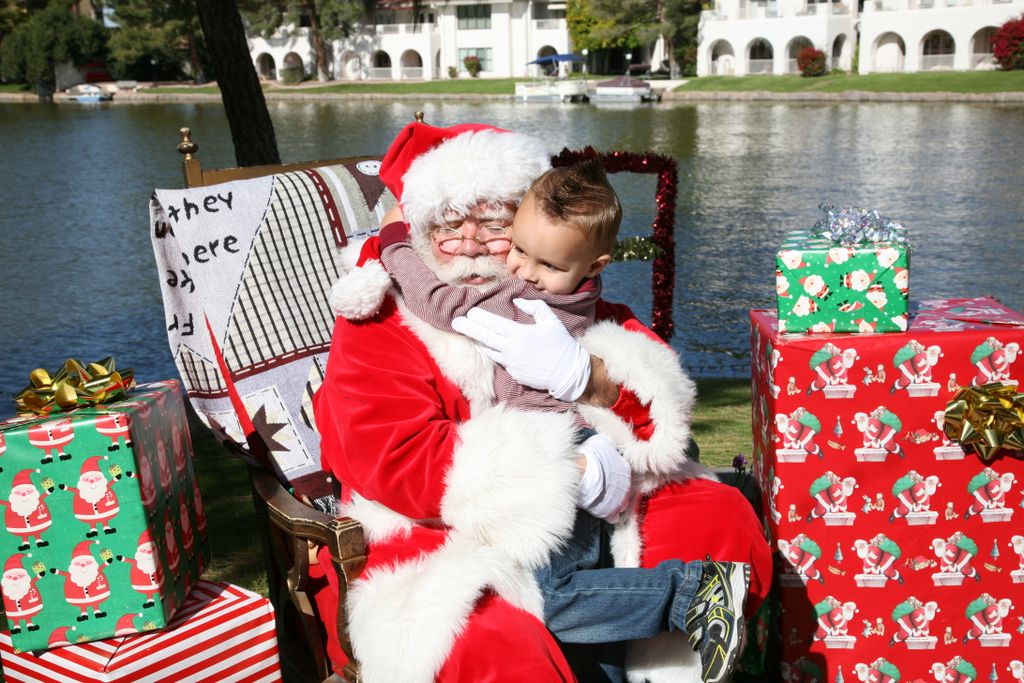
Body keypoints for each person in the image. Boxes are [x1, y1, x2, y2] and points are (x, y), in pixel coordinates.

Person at [313, 121, 772, 682]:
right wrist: (568, 472)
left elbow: (661, 409)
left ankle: (684, 646)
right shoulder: (382, 318)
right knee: (499, 636)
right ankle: (683, 603)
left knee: (712, 512)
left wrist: (588, 380)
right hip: (439, 528)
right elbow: (394, 459)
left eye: (493, 221)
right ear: (420, 227)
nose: (472, 242)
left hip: (583, 503)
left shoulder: (552, 283)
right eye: (449, 223)